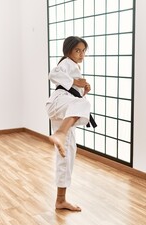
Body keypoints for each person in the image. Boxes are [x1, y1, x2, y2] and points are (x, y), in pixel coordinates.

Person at [46, 36, 95, 212]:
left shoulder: (74, 68)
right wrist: (75, 82)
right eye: (77, 50)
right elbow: (53, 74)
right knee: (85, 105)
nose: (81, 54)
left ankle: (61, 200)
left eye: (83, 51)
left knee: (67, 154)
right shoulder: (66, 63)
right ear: (68, 51)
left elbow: (75, 99)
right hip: (59, 103)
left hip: (63, 110)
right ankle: (61, 133)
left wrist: (83, 91)